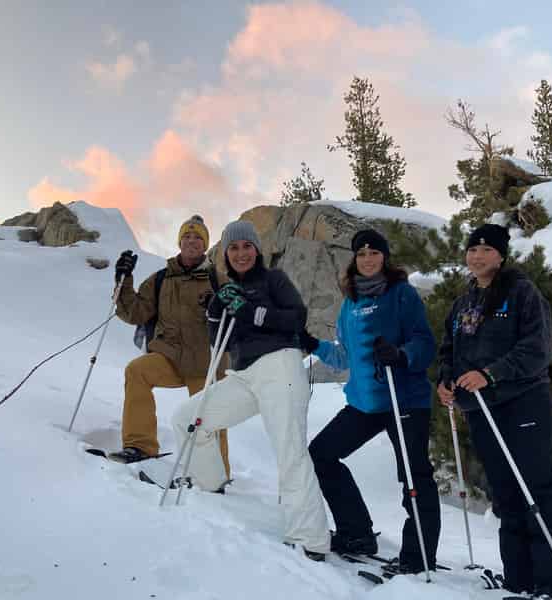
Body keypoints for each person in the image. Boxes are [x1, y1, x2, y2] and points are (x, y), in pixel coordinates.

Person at [171, 220, 330, 560]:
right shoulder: (227, 290)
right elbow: (220, 344)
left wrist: (251, 311)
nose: (241, 253)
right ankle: (209, 483)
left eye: (246, 246)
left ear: (257, 250)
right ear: (225, 255)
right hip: (244, 374)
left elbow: (295, 318)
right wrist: (216, 313)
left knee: (290, 450)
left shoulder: (273, 280)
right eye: (233, 248)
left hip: (280, 366)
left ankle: (310, 539)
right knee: (189, 418)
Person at [436, 223, 552, 600]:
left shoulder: (521, 292)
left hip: (523, 401)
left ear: (501, 255)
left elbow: (537, 350)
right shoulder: (463, 303)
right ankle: (519, 579)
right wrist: (446, 381)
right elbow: (450, 349)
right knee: (505, 493)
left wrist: (490, 374)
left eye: (486, 249)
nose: (477, 256)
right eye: (472, 249)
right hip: (481, 408)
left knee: (537, 489)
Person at [301, 229, 440, 576]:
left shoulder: (402, 294)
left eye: (374, 253)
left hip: (404, 398)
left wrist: (401, 354)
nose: (367, 259)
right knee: (322, 454)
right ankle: (356, 534)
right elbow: (344, 356)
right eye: (361, 254)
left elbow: (425, 342)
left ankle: (418, 556)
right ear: (355, 259)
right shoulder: (350, 304)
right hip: (365, 403)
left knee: (414, 475)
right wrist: (311, 343)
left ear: (384, 257)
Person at [111, 215, 230, 476]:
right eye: (187, 236)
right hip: (169, 357)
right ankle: (140, 446)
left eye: (198, 237)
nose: (192, 241)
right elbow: (135, 313)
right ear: (179, 241)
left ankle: (215, 474)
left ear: (205, 244)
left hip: (206, 363)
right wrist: (123, 279)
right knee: (137, 371)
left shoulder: (217, 279)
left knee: (207, 417)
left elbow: (236, 316)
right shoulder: (160, 279)